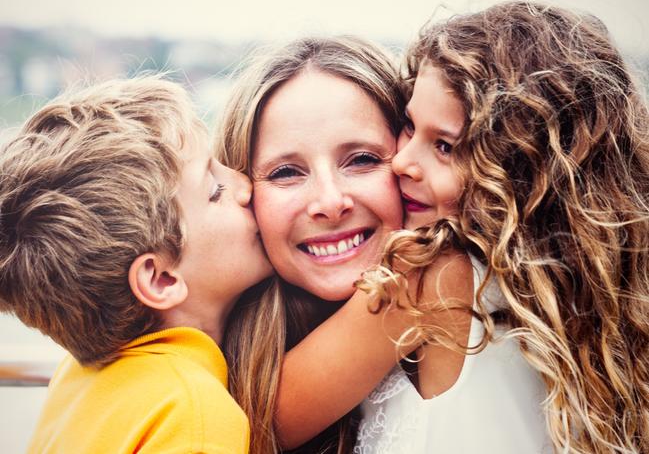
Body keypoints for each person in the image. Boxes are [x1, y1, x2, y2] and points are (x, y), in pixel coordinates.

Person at [355, 1, 649, 453]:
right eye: (409, 126)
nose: (403, 160)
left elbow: (273, 414)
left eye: (446, 147)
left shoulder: (436, 279)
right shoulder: (603, 307)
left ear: (527, 172)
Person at [217, 36, 467, 453]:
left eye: (363, 160)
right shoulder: (210, 342)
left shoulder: (434, 277)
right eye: (285, 173)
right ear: (242, 192)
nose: (331, 203)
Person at [0, 76, 271, 453]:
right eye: (214, 191)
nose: (245, 186)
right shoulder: (194, 415)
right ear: (159, 279)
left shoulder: (73, 379)